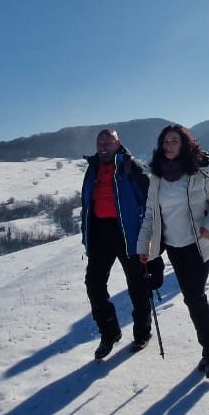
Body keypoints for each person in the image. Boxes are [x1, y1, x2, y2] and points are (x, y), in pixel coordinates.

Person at [137, 123, 209, 377]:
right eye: (165, 142)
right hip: (174, 248)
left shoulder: (199, 171)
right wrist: (144, 247)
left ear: (184, 143)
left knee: (194, 297)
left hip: (199, 244)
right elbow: (151, 214)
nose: (169, 146)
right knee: (192, 298)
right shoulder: (157, 177)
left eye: (174, 141)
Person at [81, 128, 152, 360]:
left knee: (137, 284)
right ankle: (109, 332)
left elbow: (150, 200)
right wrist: (86, 233)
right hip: (100, 232)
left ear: (118, 143)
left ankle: (142, 333)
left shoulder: (130, 166)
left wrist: (150, 235)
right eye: (100, 142)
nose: (103, 145)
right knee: (94, 284)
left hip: (127, 233)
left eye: (108, 141)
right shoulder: (92, 168)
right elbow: (87, 203)